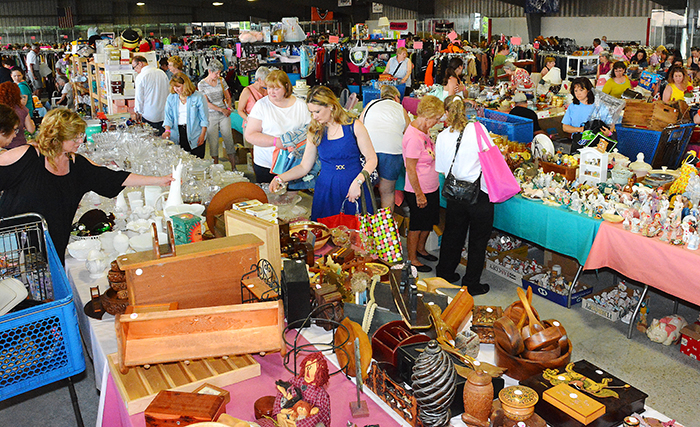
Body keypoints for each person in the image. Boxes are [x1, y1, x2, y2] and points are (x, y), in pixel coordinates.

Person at [0, 108, 172, 263]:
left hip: (53, 246)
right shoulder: (27, 156)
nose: (79, 141)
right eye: (74, 136)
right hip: (12, 248)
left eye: (80, 135)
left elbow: (113, 178)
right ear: (58, 136)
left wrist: (159, 180)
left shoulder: (76, 165)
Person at [269, 85, 377, 221]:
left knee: (357, 236)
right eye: (311, 112)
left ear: (331, 106)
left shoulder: (354, 126)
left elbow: (372, 159)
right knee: (325, 235)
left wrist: (359, 181)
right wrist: (280, 178)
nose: (314, 116)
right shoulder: (314, 131)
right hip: (326, 190)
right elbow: (304, 167)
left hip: (354, 187)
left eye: (317, 111)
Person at [435, 98, 493, 294]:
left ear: (447, 113)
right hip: (479, 193)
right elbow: (492, 156)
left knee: (452, 234)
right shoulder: (478, 130)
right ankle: (471, 283)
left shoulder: (443, 136)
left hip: (454, 193)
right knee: (478, 240)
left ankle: (444, 273)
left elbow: (442, 169)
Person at [402, 95, 444, 273]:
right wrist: (419, 194)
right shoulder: (413, 138)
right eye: (436, 119)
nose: (437, 122)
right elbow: (411, 169)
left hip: (431, 186)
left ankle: (421, 249)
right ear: (427, 117)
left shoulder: (423, 130)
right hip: (418, 190)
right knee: (417, 224)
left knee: (429, 222)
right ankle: (412, 258)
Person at [245, 70, 310, 183]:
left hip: (294, 164)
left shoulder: (300, 105)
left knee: (290, 198)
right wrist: (276, 141)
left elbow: (310, 130)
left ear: (286, 86)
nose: (271, 92)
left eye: (276, 89)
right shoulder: (261, 106)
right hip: (266, 164)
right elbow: (250, 135)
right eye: (269, 88)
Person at [359, 84, 410, 211]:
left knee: (366, 190)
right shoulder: (400, 108)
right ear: (396, 97)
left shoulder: (370, 104)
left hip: (370, 149)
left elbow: (359, 126)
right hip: (392, 151)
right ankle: (385, 227)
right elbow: (409, 132)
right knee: (387, 192)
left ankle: (365, 223)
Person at [162, 73, 209, 158]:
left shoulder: (198, 97)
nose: (176, 89)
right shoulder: (171, 97)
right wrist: (167, 131)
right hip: (178, 133)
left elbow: (204, 118)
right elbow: (168, 117)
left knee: (197, 160)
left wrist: (203, 134)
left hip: (195, 133)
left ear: (186, 84)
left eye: (178, 86)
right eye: (174, 87)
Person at [198, 59, 235, 165]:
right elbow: (206, 103)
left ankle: (233, 166)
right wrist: (221, 109)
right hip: (211, 115)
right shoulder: (202, 84)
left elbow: (228, 96)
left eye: (219, 73)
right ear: (209, 71)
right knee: (213, 141)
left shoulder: (221, 81)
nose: (218, 75)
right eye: (216, 73)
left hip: (224, 114)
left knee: (228, 138)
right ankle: (216, 166)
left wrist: (228, 107)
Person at [562, 77, 615, 143]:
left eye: (581, 90)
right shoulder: (572, 106)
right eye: (576, 91)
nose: (578, 93)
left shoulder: (599, 105)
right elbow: (565, 127)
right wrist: (580, 129)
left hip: (598, 142)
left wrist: (608, 133)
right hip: (579, 141)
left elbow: (611, 125)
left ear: (588, 90)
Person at [131, 55, 169, 135]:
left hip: (148, 115)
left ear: (140, 63)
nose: (135, 70)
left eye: (135, 67)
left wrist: (138, 112)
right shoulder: (162, 73)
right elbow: (168, 92)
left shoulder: (141, 76)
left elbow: (139, 97)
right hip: (163, 114)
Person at [0, 81, 35, 149]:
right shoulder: (22, 109)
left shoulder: (2, 110)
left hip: (3, 148)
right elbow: (31, 130)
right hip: (20, 147)